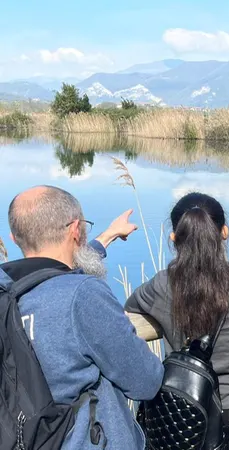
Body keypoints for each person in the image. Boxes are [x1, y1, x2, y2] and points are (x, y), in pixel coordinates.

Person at [0, 185, 163, 450]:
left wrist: (108, 236)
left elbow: (54, 269)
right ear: (76, 230)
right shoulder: (84, 295)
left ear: (14, 238)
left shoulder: (5, 288)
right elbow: (146, 381)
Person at [124, 192, 229, 450]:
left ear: (174, 237)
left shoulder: (162, 284)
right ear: (224, 232)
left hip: (184, 403)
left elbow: (127, 314)